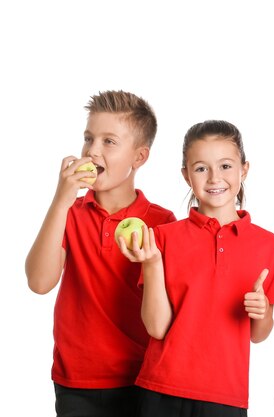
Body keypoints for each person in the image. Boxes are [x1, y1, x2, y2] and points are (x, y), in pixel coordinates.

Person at [117, 120, 274, 417]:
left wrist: (263, 310)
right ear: (186, 176)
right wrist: (153, 262)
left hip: (226, 397)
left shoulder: (268, 244)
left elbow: (259, 334)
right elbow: (156, 327)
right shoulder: (162, 237)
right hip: (160, 389)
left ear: (244, 170)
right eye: (201, 168)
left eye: (225, 166)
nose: (214, 178)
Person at [25, 90, 176, 417]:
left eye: (109, 141)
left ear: (139, 157)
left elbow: (169, 309)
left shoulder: (162, 223)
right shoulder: (69, 213)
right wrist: (62, 199)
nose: (92, 150)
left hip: (142, 379)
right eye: (88, 138)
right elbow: (39, 281)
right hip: (76, 380)